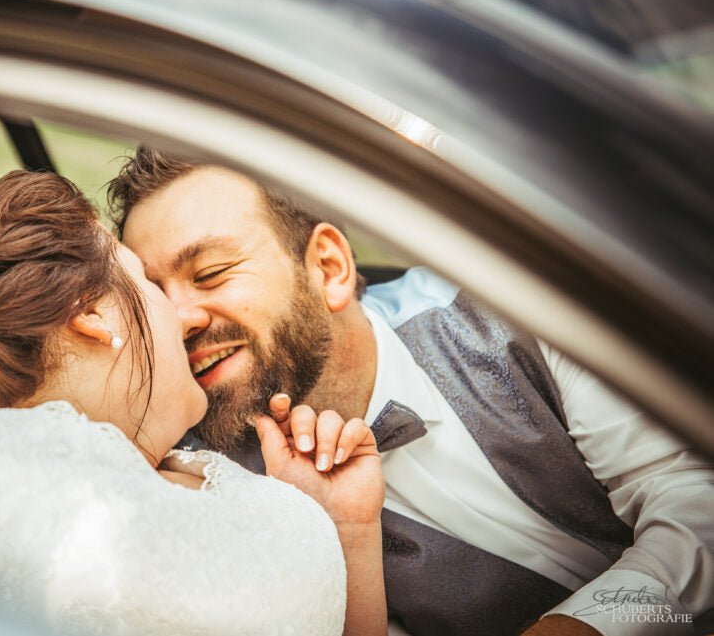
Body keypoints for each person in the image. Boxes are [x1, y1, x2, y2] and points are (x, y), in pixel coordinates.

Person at [107, 148, 714, 636]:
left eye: (209, 273)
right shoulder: (215, 487)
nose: (179, 318)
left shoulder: (513, 306)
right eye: (153, 297)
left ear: (329, 267)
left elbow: (693, 500)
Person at [0, 170, 388, 636]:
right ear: (91, 315)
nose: (184, 317)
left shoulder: (249, 480)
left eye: (210, 275)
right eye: (148, 283)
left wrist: (349, 532)